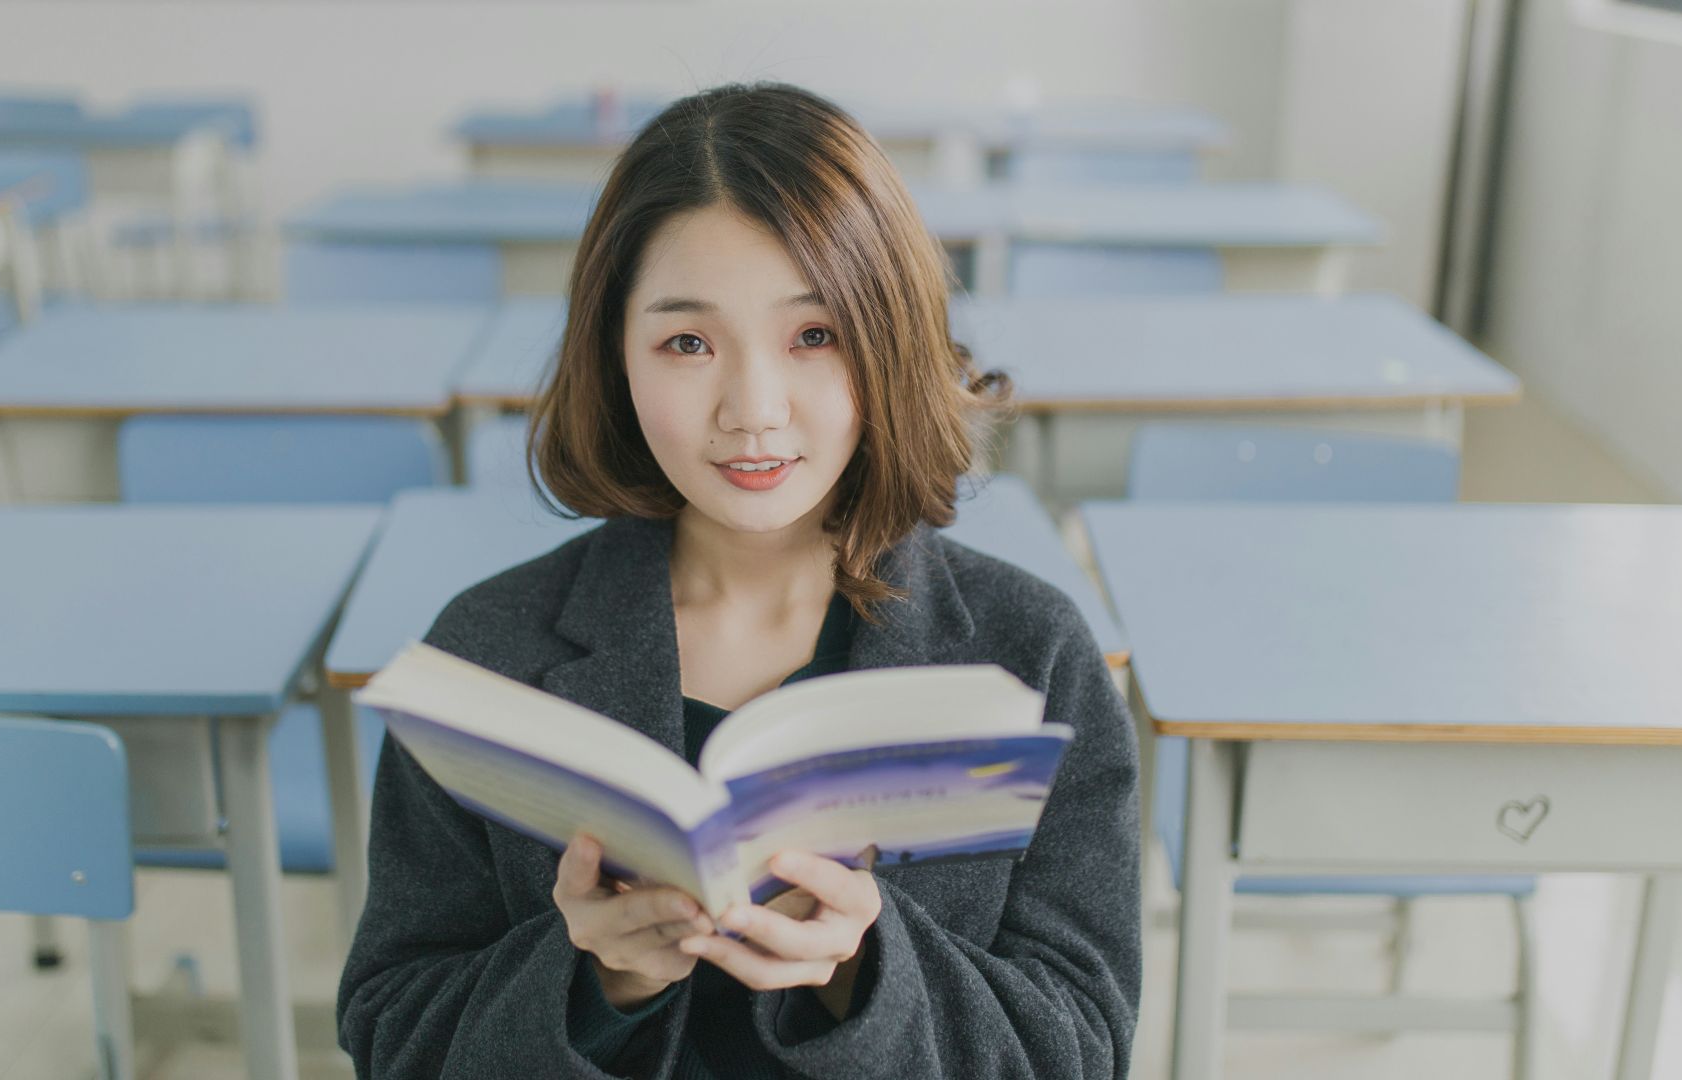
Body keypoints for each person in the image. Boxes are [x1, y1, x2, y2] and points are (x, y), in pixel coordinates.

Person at [338, 82, 1140, 1079]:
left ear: (889, 342)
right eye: (687, 342)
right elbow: (394, 1035)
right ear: (617, 360)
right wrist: (597, 983)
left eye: (815, 335)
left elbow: (1079, 1048)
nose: (753, 410)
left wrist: (864, 968)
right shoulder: (489, 652)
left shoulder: (1031, 656)